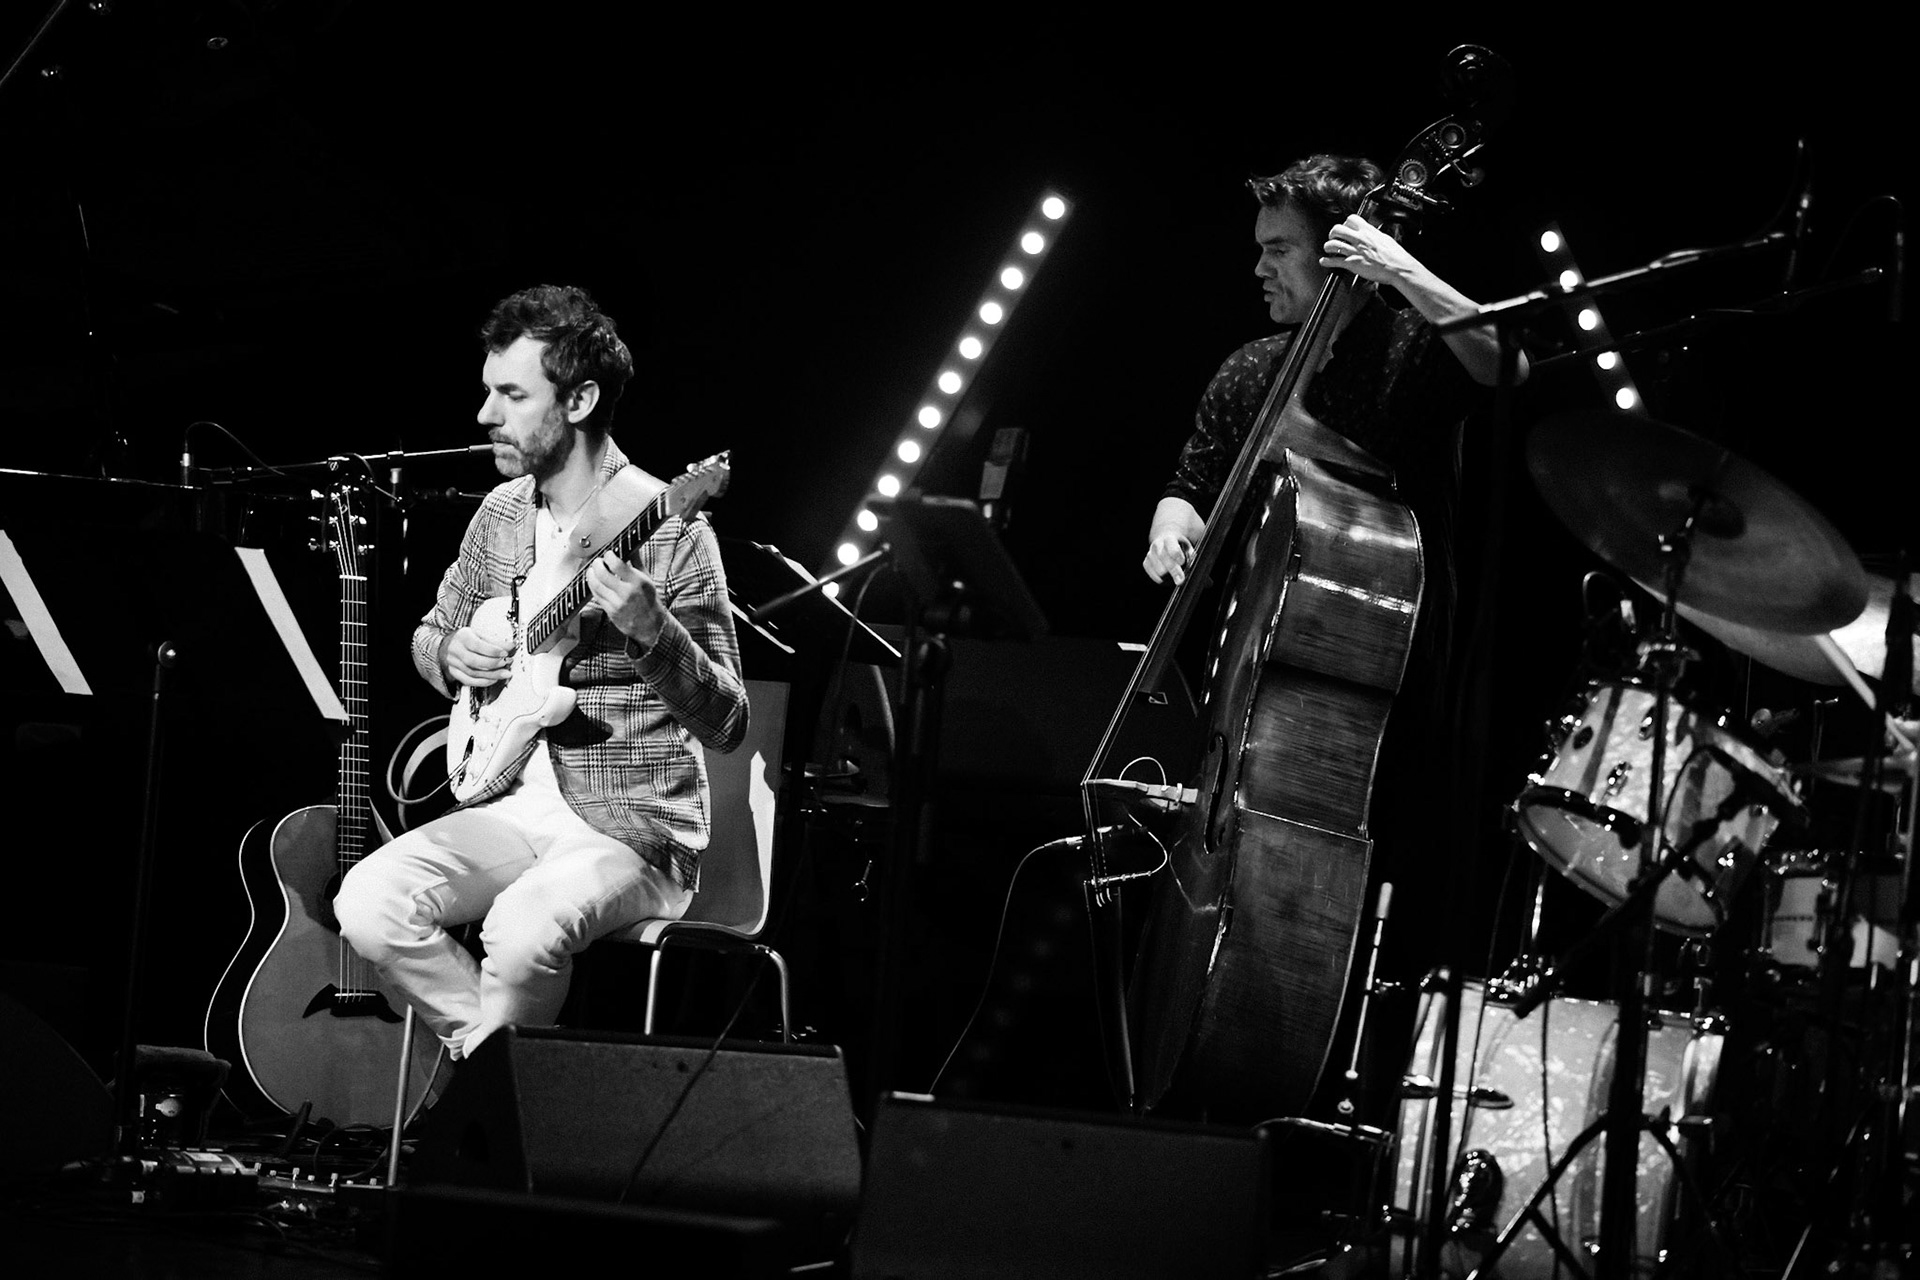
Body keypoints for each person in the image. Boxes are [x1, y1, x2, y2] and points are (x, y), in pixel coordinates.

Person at [335, 284, 749, 1062]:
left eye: (512, 394)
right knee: (368, 901)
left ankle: (492, 1112)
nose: (485, 414)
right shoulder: (499, 514)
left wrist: (653, 632)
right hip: (511, 803)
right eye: (489, 391)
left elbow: (727, 722)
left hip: (634, 825)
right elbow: (430, 637)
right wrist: (450, 655)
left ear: (581, 398)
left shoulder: (670, 530)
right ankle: (502, 1081)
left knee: (522, 930)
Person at [1140, 153, 1521, 980]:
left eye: (1279, 248)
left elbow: (1509, 366)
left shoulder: (1414, 351)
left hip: (1387, 689)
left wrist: (1402, 267)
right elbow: (1191, 480)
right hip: (1256, 682)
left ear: (1339, 252)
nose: (1259, 266)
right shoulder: (1251, 369)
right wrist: (1172, 520)